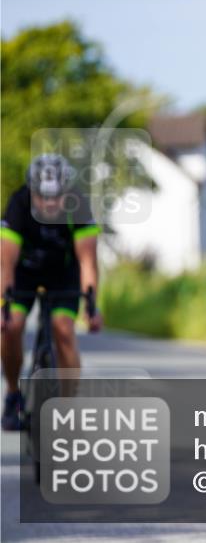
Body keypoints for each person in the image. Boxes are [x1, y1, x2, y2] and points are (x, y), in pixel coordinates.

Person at [1, 154, 103, 430]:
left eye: (55, 198)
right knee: (11, 328)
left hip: (63, 273)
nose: (48, 204)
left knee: (63, 328)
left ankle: (67, 409)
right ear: (32, 192)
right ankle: (12, 394)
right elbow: (5, 262)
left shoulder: (78, 205)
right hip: (24, 274)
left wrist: (92, 308)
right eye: (42, 197)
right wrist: (3, 307)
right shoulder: (19, 203)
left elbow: (87, 262)